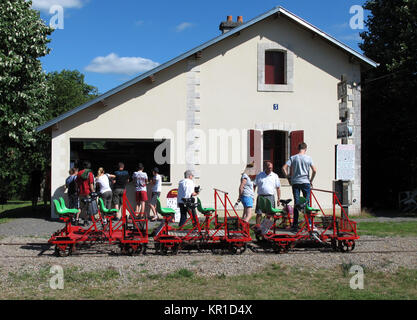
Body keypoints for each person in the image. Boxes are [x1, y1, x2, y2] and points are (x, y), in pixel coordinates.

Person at [282, 142, 317, 231]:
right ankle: (309, 223)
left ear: (298, 148)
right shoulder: (308, 158)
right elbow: (314, 170)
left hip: (295, 182)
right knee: (307, 203)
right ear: (305, 149)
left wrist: (288, 178)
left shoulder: (293, 158)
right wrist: (311, 180)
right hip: (305, 182)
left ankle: (295, 225)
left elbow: (283, 168)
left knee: (297, 204)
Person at [253, 161, 281, 225]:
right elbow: (254, 185)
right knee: (259, 213)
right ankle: (258, 226)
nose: (270, 169)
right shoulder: (259, 175)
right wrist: (252, 196)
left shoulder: (275, 176)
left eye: (271, 168)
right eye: (269, 168)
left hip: (270, 196)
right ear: (265, 167)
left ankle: (267, 227)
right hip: (261, 196)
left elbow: (278, 188)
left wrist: (279, 199)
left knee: (270, 214)